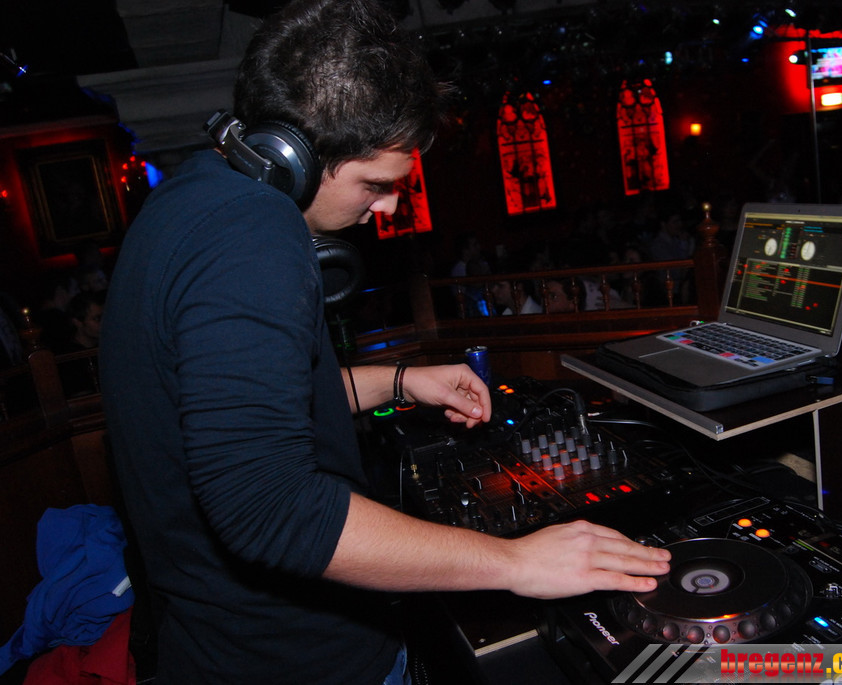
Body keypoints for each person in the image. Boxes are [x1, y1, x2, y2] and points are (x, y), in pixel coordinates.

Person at [99, 2, 670, 684]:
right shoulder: (255, 239)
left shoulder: (191, 195)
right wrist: (516, 561)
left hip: (220, 648)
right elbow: (270, 507)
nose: (390, 207)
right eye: (375, 184)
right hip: (297, 663)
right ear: (294, 156)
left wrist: (398, 381)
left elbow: (233, 409)